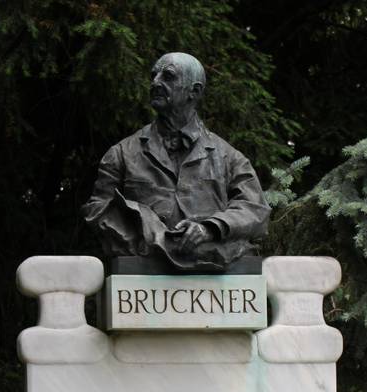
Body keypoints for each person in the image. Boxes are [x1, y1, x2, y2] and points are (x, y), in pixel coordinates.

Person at [80, 51, 270, 272]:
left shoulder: (229, 157)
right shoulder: (122, 153)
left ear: (194, 91)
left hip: (214, 261)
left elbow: (255, 210)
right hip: (143, 263)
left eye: (168, 76)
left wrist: (210, 229)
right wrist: (145, 234)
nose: (155, 82)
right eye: (154, 75)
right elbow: (97, 209)